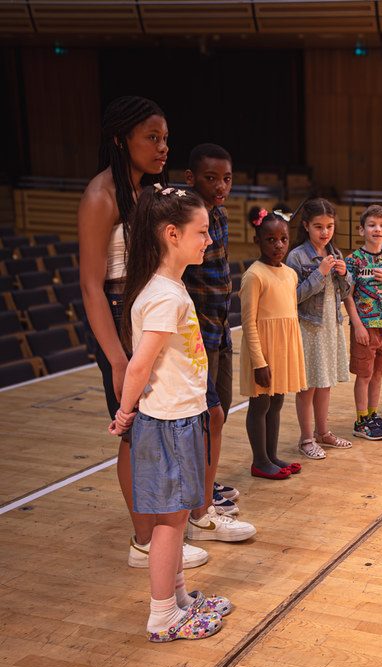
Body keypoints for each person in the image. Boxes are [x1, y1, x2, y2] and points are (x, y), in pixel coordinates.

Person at [77, 96, 208, 570]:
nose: (162, 147)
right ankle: (145, 540)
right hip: (118, 314)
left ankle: (168, 529)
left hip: (147, 307)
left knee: (165, 425)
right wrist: (117, 358)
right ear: (120, 139)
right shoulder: (101, 195)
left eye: (165, 138)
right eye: (152, 137)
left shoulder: (151, 190)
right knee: (135, 433)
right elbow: (90, 286)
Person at [109, 185, 229, 641]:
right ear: (172, 234)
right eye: (201, 232)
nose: (209, 240)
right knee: (170, 522)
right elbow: (139, 364)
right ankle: (162, 616)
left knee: (174, 520)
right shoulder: (164, 295)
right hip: (168, 423)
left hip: (180, 418)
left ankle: (178, 600)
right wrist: (125, 412)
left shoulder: (170, 288)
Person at [182, 142, 247, 522]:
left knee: (220, 409)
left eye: (227, 179)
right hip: (198, 329)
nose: (221, 186)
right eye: (211, 178)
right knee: (208, 415)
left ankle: (208, 481)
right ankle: (199, 497)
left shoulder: (219, 214)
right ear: (191, 178)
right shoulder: (186, 216)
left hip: (220, 327)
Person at [240, 210, 308, 479]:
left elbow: (289, 316)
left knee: (277, 402)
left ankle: (271, 455)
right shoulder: (254, 275)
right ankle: (259, 461)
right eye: (270, 240)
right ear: (257, 240)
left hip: (282, 350)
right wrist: (259, 362)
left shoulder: (290, 274)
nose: (278, 245)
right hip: (263, 352)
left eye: (283, 239)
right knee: (260, 406)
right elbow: (249, 323)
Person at [285, 198, 353, 459]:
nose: (325, 232)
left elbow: (345, 293)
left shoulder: (335, 253)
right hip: (308, 327)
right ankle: (306, 439)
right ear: (306, 226)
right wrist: (319, 273)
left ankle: (323, 432)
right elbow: (293, 296)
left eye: (329, 226)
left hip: (330, 327)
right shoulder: (296, 256)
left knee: (325, 383)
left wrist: (345, 275)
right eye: (318, 227)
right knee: (308, 387)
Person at [344, 205, 382, 440]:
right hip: (365, 328)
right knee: (364, 375)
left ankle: (372, 414)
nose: (377, 229)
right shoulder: (354, 261)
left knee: (378, 373)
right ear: (362, 230)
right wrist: (357, 325)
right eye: (372, 225)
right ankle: (361, 421)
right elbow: (347, 295)